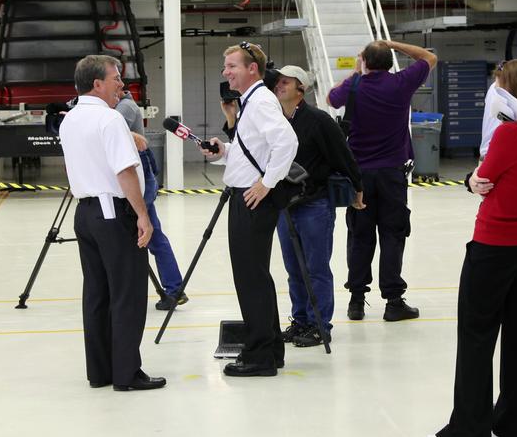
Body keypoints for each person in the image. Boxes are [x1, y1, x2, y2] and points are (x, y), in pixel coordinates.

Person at [425, 61, 517, 437]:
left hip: (494, 242)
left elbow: (483, 179)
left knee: (475, 334)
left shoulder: (508, 134)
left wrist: (472, 181)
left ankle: (467, 430)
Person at [59, 55, 163, 392]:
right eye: (116, 78)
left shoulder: (70, 119)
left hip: (85, 214)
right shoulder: (109, 119)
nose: (122, 84)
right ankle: (127, 373)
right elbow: (124, 171)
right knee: (127, 293)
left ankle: (101, 371)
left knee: (97, 294)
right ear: (97, 84)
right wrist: (143, 216)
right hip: (112, 211)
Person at [203, 42, 298, 377]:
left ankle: (259, 356)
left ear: (252, 69)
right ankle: (270, 348)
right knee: (256, 275)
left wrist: (267, 183)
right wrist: (225, 151)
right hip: (248, 193)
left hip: (252, 198)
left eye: (232, 66)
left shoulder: (259, 102)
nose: (225, 72)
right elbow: (253, 149)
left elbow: (287, 142)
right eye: (226, 66)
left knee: (250, 277)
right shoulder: (251, 102)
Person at [326, 39, 438, 322]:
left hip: (359, 175)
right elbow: (428, 57)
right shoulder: (401, 83)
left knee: (360, 236)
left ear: (364, 61)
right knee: (393, 235)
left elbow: (330, 99)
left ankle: (356, 300)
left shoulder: (354, 87)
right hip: (392, 174)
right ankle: (393, 301)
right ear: (389, 62)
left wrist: (355, 71)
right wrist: (394, 44)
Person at [271, 65, 365, 348]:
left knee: (315, 268)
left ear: (301, 88)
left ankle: (319, 324)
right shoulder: (275, 120)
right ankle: (300, 320)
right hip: (285, 206)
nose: (279, 86)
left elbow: (343, 156)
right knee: (293, 268)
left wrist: (357, 188)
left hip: (314, 205)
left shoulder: (318, 120)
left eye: (286, 82)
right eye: (278, 82)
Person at [114, 90, 188, 310]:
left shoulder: (125, 106)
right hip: (137, 172)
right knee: (153, 234)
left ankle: (172, 289)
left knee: (146, 234)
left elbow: (114, 134)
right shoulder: (120, 105)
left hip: (138, 172)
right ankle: (174, 288)